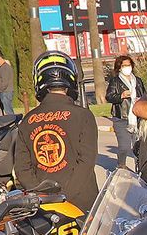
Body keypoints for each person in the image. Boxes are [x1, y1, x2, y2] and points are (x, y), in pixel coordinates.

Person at [14, 53, 98, 210]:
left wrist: (41, 194)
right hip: (81, 201)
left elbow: (21, 168)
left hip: (44, 203)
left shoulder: (27, 121)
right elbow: (87, 162)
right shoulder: (83, 115)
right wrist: (66, 195)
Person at [104, 55, 144, 169]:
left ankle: (139, 166)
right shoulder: (115, 81)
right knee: (124, 146)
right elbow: (109, 96)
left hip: (137, 116)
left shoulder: (138, 81)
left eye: (129, 65)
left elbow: (144, 95)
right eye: (124, 65)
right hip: (121, 117)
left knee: (139, 146)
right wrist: (121, 96)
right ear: (119, 67)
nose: (127, 67)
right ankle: (121, 165)